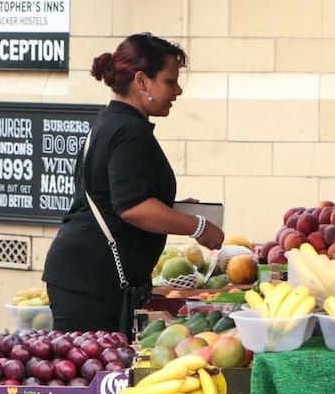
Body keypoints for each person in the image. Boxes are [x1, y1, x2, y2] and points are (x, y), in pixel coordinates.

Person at [42, 33, 222, 333]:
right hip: (94, 280)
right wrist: (198, 226)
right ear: (141, 81)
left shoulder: (110, 123)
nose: (177, 91)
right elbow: (132, 207)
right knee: (98, 372)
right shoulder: (129, 132)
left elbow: (115, 197)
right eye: (169, 81)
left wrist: (173, 209)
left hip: (83, 273)